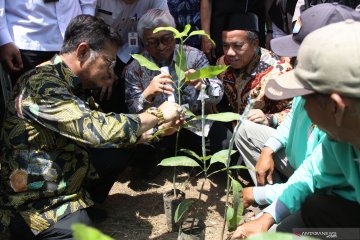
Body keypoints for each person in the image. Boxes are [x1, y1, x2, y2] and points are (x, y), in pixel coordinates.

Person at [0, 15, 182, 240]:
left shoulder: (71, 83)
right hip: (36, 200)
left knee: (121, 148)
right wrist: (158, 114)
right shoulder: (42, 85)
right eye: (108, 61)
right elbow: (97, 130)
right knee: (83, 234)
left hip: (62, 177)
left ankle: (84, 203)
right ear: (83, 51)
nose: (110, 70)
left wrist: (159, 130)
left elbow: (111, 131)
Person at [231, 20, 360, 239]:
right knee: (314, 210)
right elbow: (311, 172)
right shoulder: (338, 138)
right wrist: (268, 215)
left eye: (307, 99)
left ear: (336, 107)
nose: (301, 106)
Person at [236, 3, 360, 186]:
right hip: (302, 168)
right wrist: (269, 148)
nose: (292, 59)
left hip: (314, 180)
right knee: (246, 130)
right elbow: (293, 118)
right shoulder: (317, 92)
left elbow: (316, 174)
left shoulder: (337, 132)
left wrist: (272, 200)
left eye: (300, 53)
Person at [95, 0, 169, 113]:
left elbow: (162, 30)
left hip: (136, 50)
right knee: (103, 89)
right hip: (100, 50)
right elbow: (89, 34)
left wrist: (136, 63)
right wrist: (104, 66)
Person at [0, 0, 96, 86]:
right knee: (31, 102)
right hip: (28, 41)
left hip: (74, 38)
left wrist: (86, 29)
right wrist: (4, 39)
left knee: (74, 101)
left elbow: (89, 3)